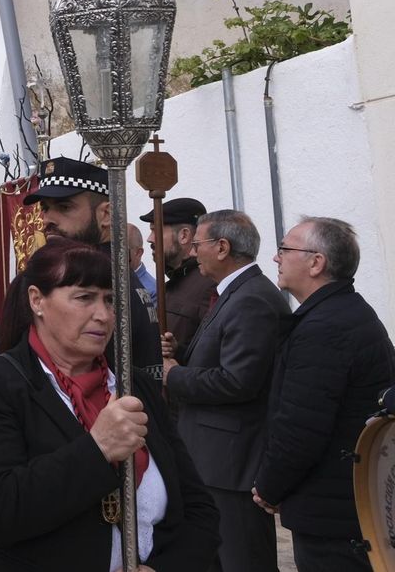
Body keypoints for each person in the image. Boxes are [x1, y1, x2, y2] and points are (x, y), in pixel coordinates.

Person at [0, 238, 219, 571]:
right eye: (84, 297)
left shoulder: (133, 385)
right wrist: (98, 449)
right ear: (37, 300)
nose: (103, 315)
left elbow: (198, 507)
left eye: (110, 300)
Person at [253, 217, 393, 571]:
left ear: (317, 263)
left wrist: (269, 487)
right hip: (344, 505)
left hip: (335, 514)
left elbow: (301, 428)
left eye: (285, 249)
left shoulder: (325, 328)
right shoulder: (342, 313)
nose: (276, 258)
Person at [160, 209, 290, 572]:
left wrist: (174, 376)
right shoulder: (235, 293)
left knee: (242, 560)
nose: (191, 252)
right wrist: (182, 353)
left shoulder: (251, 299)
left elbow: (239, 381)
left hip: (231, 462)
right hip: (214, 458)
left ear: (221, 247)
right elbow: (222, 356)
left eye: (198, 244)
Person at [25, 157, 161, 381]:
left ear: (106, 214)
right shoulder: (113, 270)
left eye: (64, 207)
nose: (47, 219)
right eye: (45, 208)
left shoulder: (98, 278)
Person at [141, 198, 215, 357]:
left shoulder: (209, 285)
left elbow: (213, 354)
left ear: (184, 235)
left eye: (156, 230)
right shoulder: (173, 284)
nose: (150, 239)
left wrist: (178, 354)